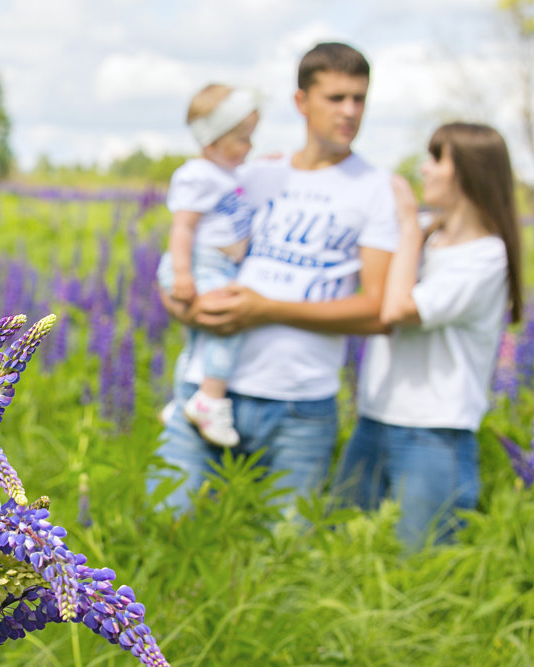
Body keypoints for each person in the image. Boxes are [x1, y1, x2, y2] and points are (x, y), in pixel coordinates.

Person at [153, 42, 399, 513]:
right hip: (203, 389)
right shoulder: (252, 174)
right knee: (166, 526)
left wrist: (265, 310)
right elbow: (186, 258)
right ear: (301, 102)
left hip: (299, 407)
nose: (349, 111)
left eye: (359, 99)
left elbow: (377, 310)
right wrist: (185, 305)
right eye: (335, 98)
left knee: (281, 558)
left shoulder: (376, 188)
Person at [333, 122, 523, 551]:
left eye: (437, 159)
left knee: (417, 567)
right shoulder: (425, 233)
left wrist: (405, 228)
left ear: (469, 172)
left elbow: (397, 308)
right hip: (375, 417)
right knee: (340, 552)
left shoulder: (485, 256)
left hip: (435, 431)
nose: (424, 169)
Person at [156, 83, 259, 447]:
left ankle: (184, 399)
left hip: (216, 268)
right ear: (212, 142)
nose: (251, 147)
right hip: (199, 266)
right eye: (243, 139)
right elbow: (183, 228)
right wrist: (183, 274)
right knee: (227, 326)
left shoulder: (228, 174)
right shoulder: (197, 175)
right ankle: (210, 399)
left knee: (198, 340)